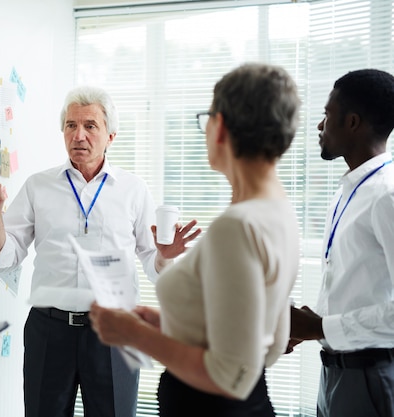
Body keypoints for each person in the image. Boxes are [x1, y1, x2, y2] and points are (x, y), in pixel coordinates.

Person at [0, 85, 201, 417]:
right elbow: (7, 256)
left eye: (90, 126)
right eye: (71, 125)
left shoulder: (134, 190)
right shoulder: (38, 185)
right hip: (49, 329)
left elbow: (152, 262)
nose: (79, 135)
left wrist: (165, 255)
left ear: (110, 136)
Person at [89, 63, 301, 417]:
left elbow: (231, 374)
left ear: (220, 127)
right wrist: (169, 322)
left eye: (208, 118)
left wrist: (134, 335)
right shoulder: (279, 210)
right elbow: (269, 342)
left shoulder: (237, 227)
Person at [288, 69, 394, 417]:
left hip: (371, 377)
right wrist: (310, 325)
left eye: (327, 116)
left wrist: (318, 327)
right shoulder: (350, 190)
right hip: (336, 373)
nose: (320, 126)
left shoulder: (387, 195)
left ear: (352, 122)